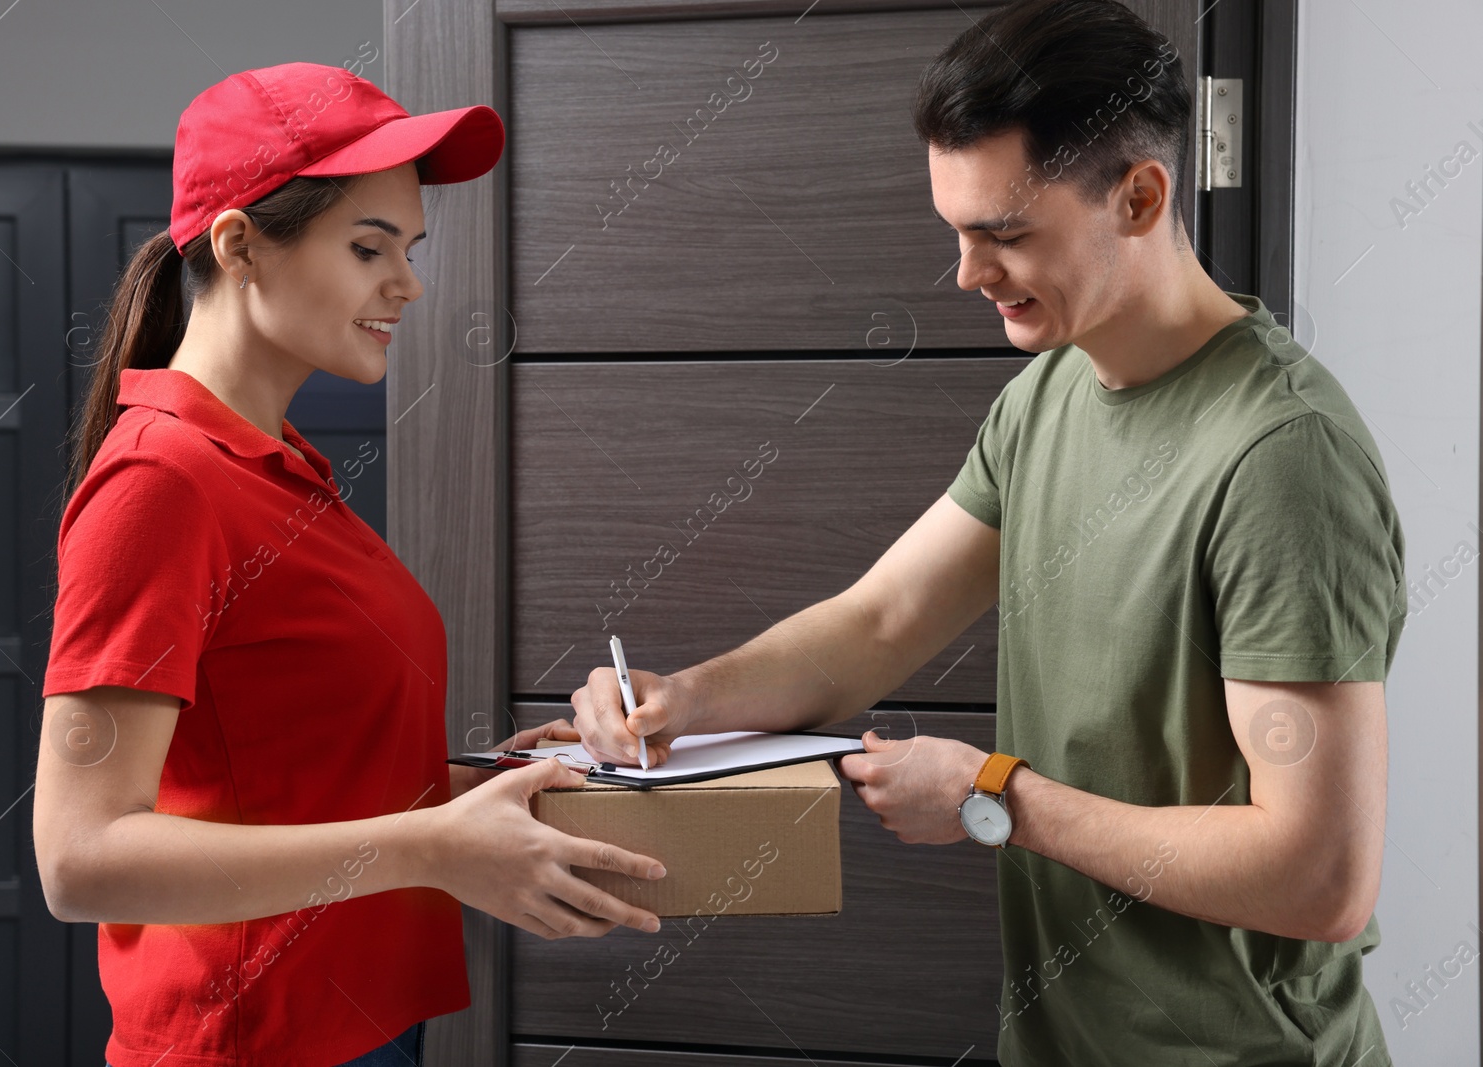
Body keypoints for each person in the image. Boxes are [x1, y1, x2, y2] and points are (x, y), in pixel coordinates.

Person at [571, 2, 1405, 1064]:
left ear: (1140, 196)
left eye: (1004, 235)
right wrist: (683, 699)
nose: (968, 275)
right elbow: (879, 620)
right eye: (956, 233)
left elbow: (1320, 875)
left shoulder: (1282, 459)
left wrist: (992, 792)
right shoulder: (1047, 396)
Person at [34, 62, 665, 1067]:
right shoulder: (161, 481)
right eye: (370, 247)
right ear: (240, 244)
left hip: (355, 1020)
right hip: (249, 1038)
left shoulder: (276, 471)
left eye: (409, 249)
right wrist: (435, 847)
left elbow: (285, 768)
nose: (407, 283)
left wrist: (499, 782)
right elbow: (81, 858)